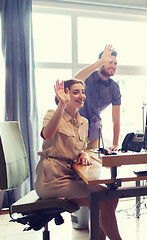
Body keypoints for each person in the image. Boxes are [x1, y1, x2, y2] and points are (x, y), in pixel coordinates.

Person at [35, 79, 122, 240]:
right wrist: (62, 105)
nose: (81, 95)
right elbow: (47, 135)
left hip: (71, 176)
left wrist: (83, 153)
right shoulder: (52, 114)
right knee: (105, 201)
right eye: (76, 92)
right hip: (52, 179)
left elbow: (79, 147)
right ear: (65, 95)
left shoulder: (84, 122)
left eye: (83, 92)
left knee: (111, 196)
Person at [75, 44, 121, 150]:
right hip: (77, 130)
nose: (113, 66)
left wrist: (115, 144)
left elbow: (116, 118)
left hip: (95, 133)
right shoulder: (88, 77)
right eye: (110, 62)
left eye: (115, 63)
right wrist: (100, 61)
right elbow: (77, 78)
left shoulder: (114, 87)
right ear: (102, 63)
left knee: (92, 165)